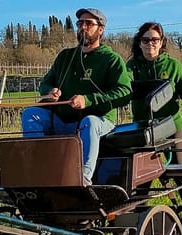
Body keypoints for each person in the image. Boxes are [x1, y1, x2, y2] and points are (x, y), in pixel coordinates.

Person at [21, 8, 132, 184]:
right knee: (30, 114)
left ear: (101, 29)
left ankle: (83, 178)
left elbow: (124, 93)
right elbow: (46, 83)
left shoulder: (111, 59)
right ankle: (39, 170)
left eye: (89, 23)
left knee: (90, 121)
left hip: (99, 123)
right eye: (80, 23)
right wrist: (50, 92)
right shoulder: (65, 56)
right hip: (62, 121)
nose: (83, 27)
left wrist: (87, 100)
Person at [126, 22, 182, 165]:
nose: (150, 43)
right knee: (141, 180)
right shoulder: (131, 67)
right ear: (139, 43)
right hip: (143, 129)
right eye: (145, 40)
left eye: (155, 40)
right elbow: (123, 89)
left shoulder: (173, 66)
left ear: (161, 42)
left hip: (171, 125)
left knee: (180, 174)